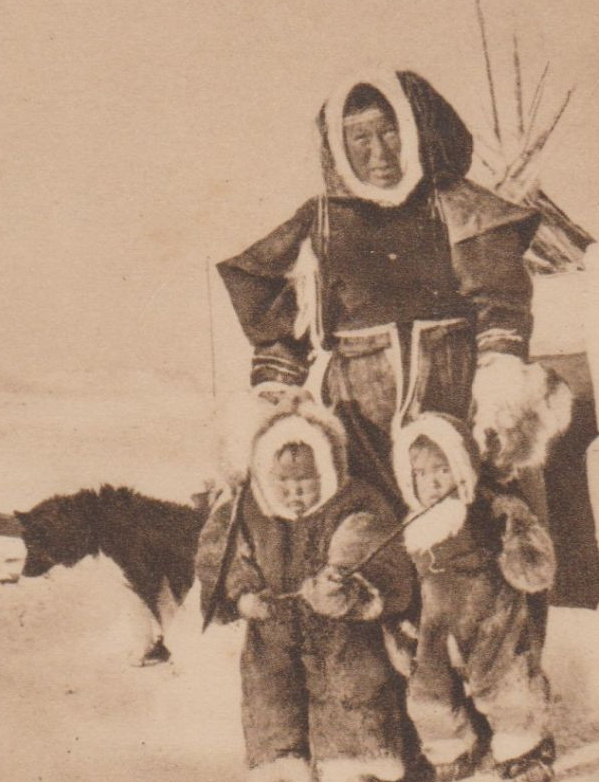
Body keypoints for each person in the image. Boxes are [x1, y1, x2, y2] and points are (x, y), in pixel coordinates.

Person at [216, 70, 565, 493]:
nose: (379, 152)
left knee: (474, 522)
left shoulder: (457, 207)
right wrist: (272, 399)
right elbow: (281, 330)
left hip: (454, 398)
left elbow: (501, 308)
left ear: (416, 132)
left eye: (390, 132)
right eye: (361, 139)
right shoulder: (323, 222)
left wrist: (499, 390)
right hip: (358, 413)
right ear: (340, 149)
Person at [195, 394, 418, 782]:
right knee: (270, 694)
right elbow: (221, 554)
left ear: (327, 470)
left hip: (339, 624)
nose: (296, 494)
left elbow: (368, 536)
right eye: (286, 484)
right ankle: (281, 769)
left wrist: (343, 582)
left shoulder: (353, 500)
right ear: (265, 474)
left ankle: (362, 763)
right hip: (272, 623)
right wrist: (243, 595)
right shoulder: (248, 509)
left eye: (306, 482)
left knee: (355, 682)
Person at [392, 412, 558, 782]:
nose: (432, 482)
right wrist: (405, 617)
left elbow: (524, 534)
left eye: (442, 470)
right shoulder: (412, 524)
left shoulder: (486, 507)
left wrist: (522, 553)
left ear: (462, 467)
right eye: (421, 473)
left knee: (503, 682)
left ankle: (524, 750)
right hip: (437, 622)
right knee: (427, 690)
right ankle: (452, 750)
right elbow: (405, 577)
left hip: (492, 614)